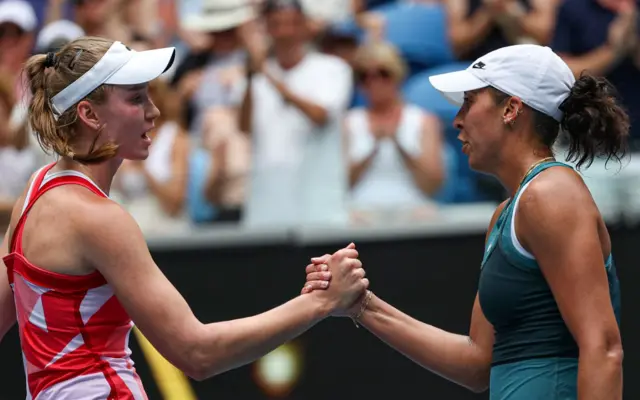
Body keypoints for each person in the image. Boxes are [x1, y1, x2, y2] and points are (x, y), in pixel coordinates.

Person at [0, 36, 369, 400]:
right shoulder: (99, 219)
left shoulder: (34, 191)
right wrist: (321, 302)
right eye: (135, 98)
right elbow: (198, 353)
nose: (154, 111)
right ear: (90, 114)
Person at [305, 44, 626, 399]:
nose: (457, 119)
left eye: (469, 101)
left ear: (511, 109)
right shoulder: (508, 213)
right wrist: (361, 305)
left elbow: (604, 349)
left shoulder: (551, 195)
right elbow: (475, 365)